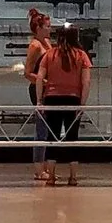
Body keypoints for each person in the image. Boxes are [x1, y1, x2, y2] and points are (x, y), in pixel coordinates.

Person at [33, 23, 90, 186]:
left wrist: (39, 100)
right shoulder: (82, 55)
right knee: (72, 138)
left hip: (52, 98)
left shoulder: (50, 54)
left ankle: (51, 176)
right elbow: (86, 82)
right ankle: (73, 177)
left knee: (52, 137)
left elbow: (39, 78)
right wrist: (82, 104)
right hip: (73, 99)